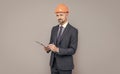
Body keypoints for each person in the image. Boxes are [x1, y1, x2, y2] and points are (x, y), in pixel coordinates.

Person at [44, 4, 78, 74]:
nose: (59, 17)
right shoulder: (54, 29)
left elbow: (72, 50)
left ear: (67, 14)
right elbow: (51, 43)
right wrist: (48, 48)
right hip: (53, 65)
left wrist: (57, 49)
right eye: (57, 15)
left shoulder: (73, 30)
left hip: (65, 66)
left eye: (61, 15)